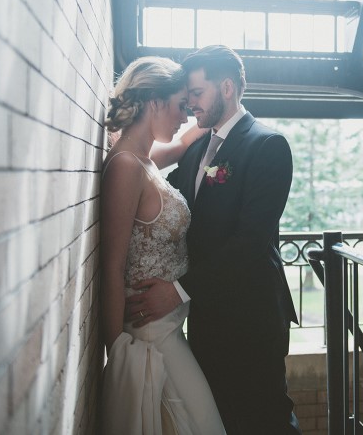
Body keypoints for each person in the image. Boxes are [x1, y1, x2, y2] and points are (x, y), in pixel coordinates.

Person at [126, 45, 301, 434]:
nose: (189, 104)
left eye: (197, 93)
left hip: (251, 316)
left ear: (226, 87)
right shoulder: (196, 148)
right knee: (218, 417)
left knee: (265, 417)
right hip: (205, 316)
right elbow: (146, 163)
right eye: (186, 97)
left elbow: (251, 242)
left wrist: (177, 291)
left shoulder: (268, 146)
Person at [99, 56, 225, 435]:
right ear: (154, 102)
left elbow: (187, 140)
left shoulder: (146, 158)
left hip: (171, 327)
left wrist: (225, 107)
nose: (185, 116)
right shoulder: (125, 167)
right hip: (148, 338)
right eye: (180, 106)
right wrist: (118, 354)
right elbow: (111, 267)